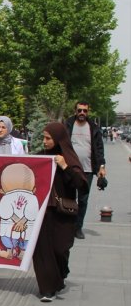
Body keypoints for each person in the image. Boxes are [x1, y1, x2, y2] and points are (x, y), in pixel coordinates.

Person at [33, 123, 88, 302]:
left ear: (58, 139)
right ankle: (47, 289)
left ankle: (61, 274)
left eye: (48, 138)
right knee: (43, 251)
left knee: (60, 248)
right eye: (44, 137)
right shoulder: (40, 157)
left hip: (63, 213)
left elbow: (81, 184)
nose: (45, 141)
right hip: (43, 211)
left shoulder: (68, 158)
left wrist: (65, 167)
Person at [63, 102, 106, 239]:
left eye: (85, 111)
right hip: (69, 169)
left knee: (83, 200)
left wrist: (102, 167)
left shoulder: (93, 128)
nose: (82, 113)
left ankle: (78, 227)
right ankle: (67, 226)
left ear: (88, 112)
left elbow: (99, 149)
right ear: (75, 111)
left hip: (87, 170)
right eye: (80, 110)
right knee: (68, 198)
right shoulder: (68, 125)